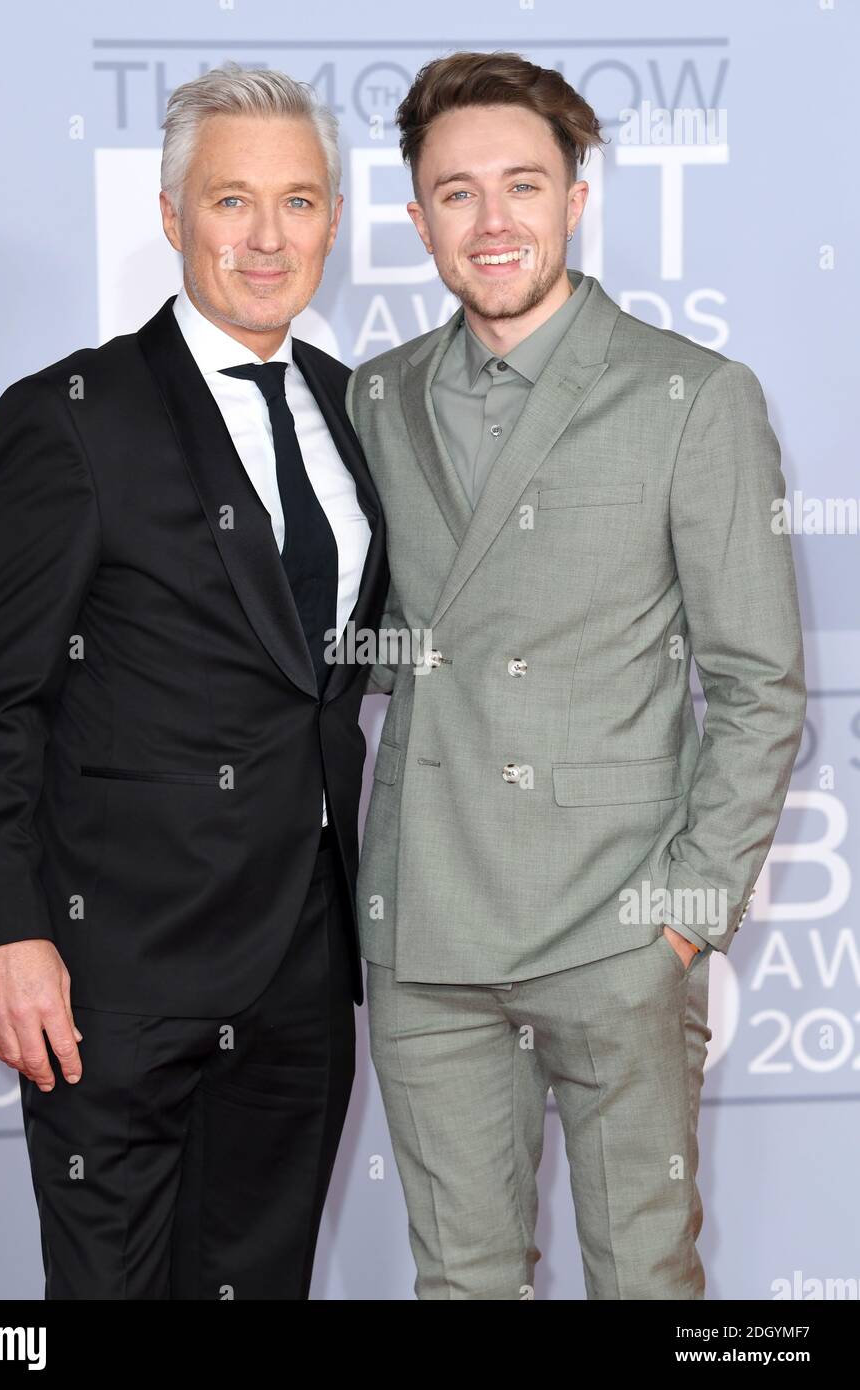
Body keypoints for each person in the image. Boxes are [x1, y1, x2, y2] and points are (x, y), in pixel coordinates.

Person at [348, 51, 806, 1299]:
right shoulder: (373, 399)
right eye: (455, 194)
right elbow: (366, 639)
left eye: (521, 186)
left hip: (613, 923)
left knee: (644, 1279)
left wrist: (679, 917)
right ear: (416, 218)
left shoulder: (688, 396)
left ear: (573, 196)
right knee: (459, 1282)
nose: (491, 223)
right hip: (427, 927)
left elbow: (758, 682)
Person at [0, 62, 387, 1300]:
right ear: (171, 212)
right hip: (112, 971)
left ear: (334, 224)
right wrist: (7, 931)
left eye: (297, 203)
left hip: (303, 962)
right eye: (230, 200)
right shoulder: (74, 416)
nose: (265, 236)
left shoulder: (360, 413)